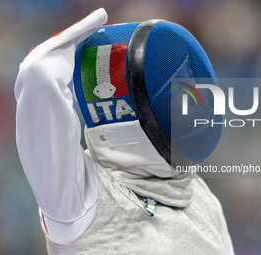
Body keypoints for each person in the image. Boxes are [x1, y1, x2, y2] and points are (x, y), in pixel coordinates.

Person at [15, 8, 234, 255]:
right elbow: (37, 75)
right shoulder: (84, 200)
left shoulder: (201, 197)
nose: (194, 99)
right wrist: (70, 48)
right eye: (172, 94)